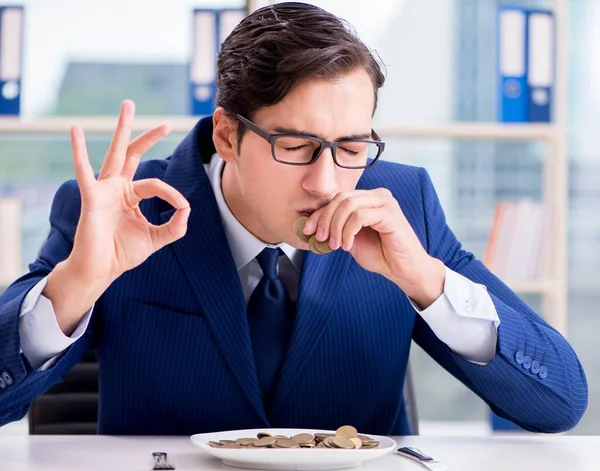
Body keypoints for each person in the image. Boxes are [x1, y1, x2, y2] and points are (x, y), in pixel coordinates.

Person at [0, 2, 587, 435]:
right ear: (227, 134)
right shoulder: (122, 206)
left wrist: (427, 284)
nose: (327, 181)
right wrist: (79, 282)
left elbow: (561, 402)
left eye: (352, 147)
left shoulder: (402, 202)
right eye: (297, 147)